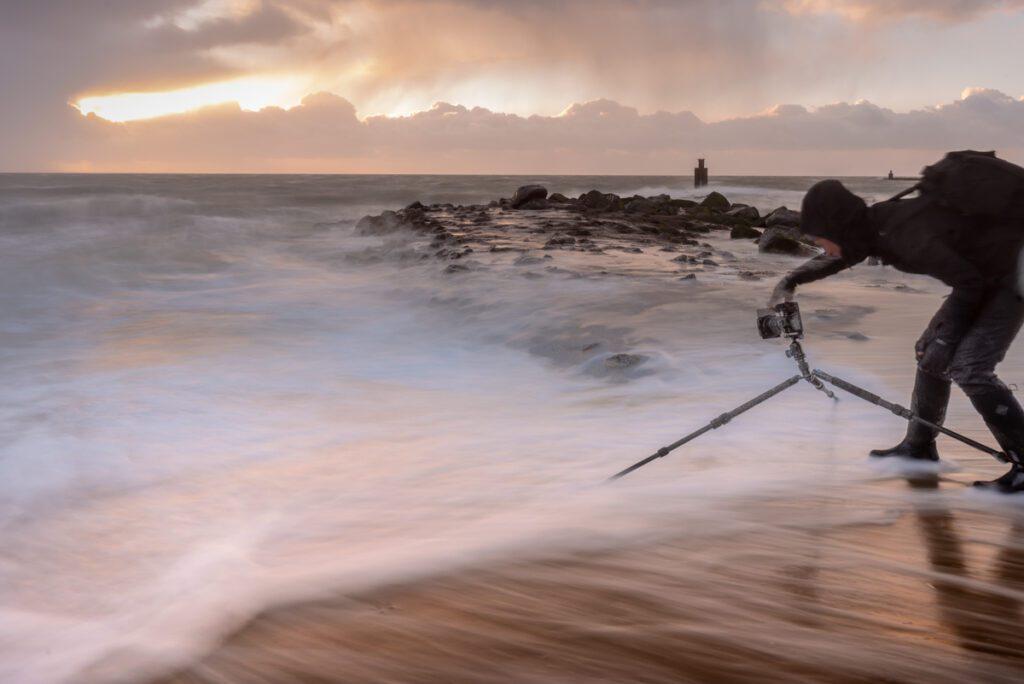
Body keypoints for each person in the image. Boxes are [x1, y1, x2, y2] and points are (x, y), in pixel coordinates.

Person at [769, 175, 1024, 493]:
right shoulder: (872, 227)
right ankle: (919, 448)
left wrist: (946, 340)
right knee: (929, 353)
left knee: (970, 368)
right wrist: (792, 279)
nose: (820, 246)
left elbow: (970, 284)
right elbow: (847, 253)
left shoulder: (905, 235)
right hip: (985, 277)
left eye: (821, 239)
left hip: (1010, 275)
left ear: (837, 228)